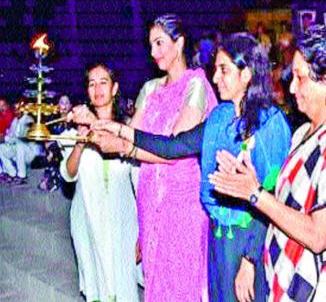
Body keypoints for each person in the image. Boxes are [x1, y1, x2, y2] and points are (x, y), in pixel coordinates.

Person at [90, 32, 291, 302]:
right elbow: (173, 147)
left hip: (249, 242)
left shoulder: (271, 124)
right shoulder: (219, 118)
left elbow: (272, 193)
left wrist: (250, 260)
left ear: (247, 74)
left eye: (224, 70)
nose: (216, 78)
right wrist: (122, 132)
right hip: (218, 238)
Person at [208, 25, 326, 301]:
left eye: (299, 77)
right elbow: (285, 206)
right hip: (291, 284)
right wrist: (251, 183)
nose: (291, 87)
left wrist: (255, 193)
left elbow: (318, 235)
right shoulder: (301, 135)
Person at [72, 14, 218, 301]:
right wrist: (93, 123)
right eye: (151, 45)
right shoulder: (150, 89)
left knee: (181, 282)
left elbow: (173, 150)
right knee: (156, 280)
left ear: (180, 43)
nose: (154, 52)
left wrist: (122, 144)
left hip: (182, 203)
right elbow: (127, 134)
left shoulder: (195, 85)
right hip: (150, 197)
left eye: (160, 43)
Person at [59, 63, 139, 301]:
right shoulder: (75, 132)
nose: (97, 88)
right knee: (96, 287)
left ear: (114, 89)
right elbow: (68, 174)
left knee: (122, 287)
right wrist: (81, 142)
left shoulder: (127, 131)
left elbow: (138, 182)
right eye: (91, 84)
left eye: (103, 82)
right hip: (87, 219)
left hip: (121, 220)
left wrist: (143, 232)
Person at [38, 94, 73, 192]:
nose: (64, 106)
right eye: (62, 103)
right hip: (55, 149)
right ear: (58, 105)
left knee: (54, 151)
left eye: (67, 103)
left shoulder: (74, 120)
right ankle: (50, 178)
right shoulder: (53, 120)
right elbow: (47, 135)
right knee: (50, 151)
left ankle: (54, 180)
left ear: (70, 105)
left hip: (69, 148)